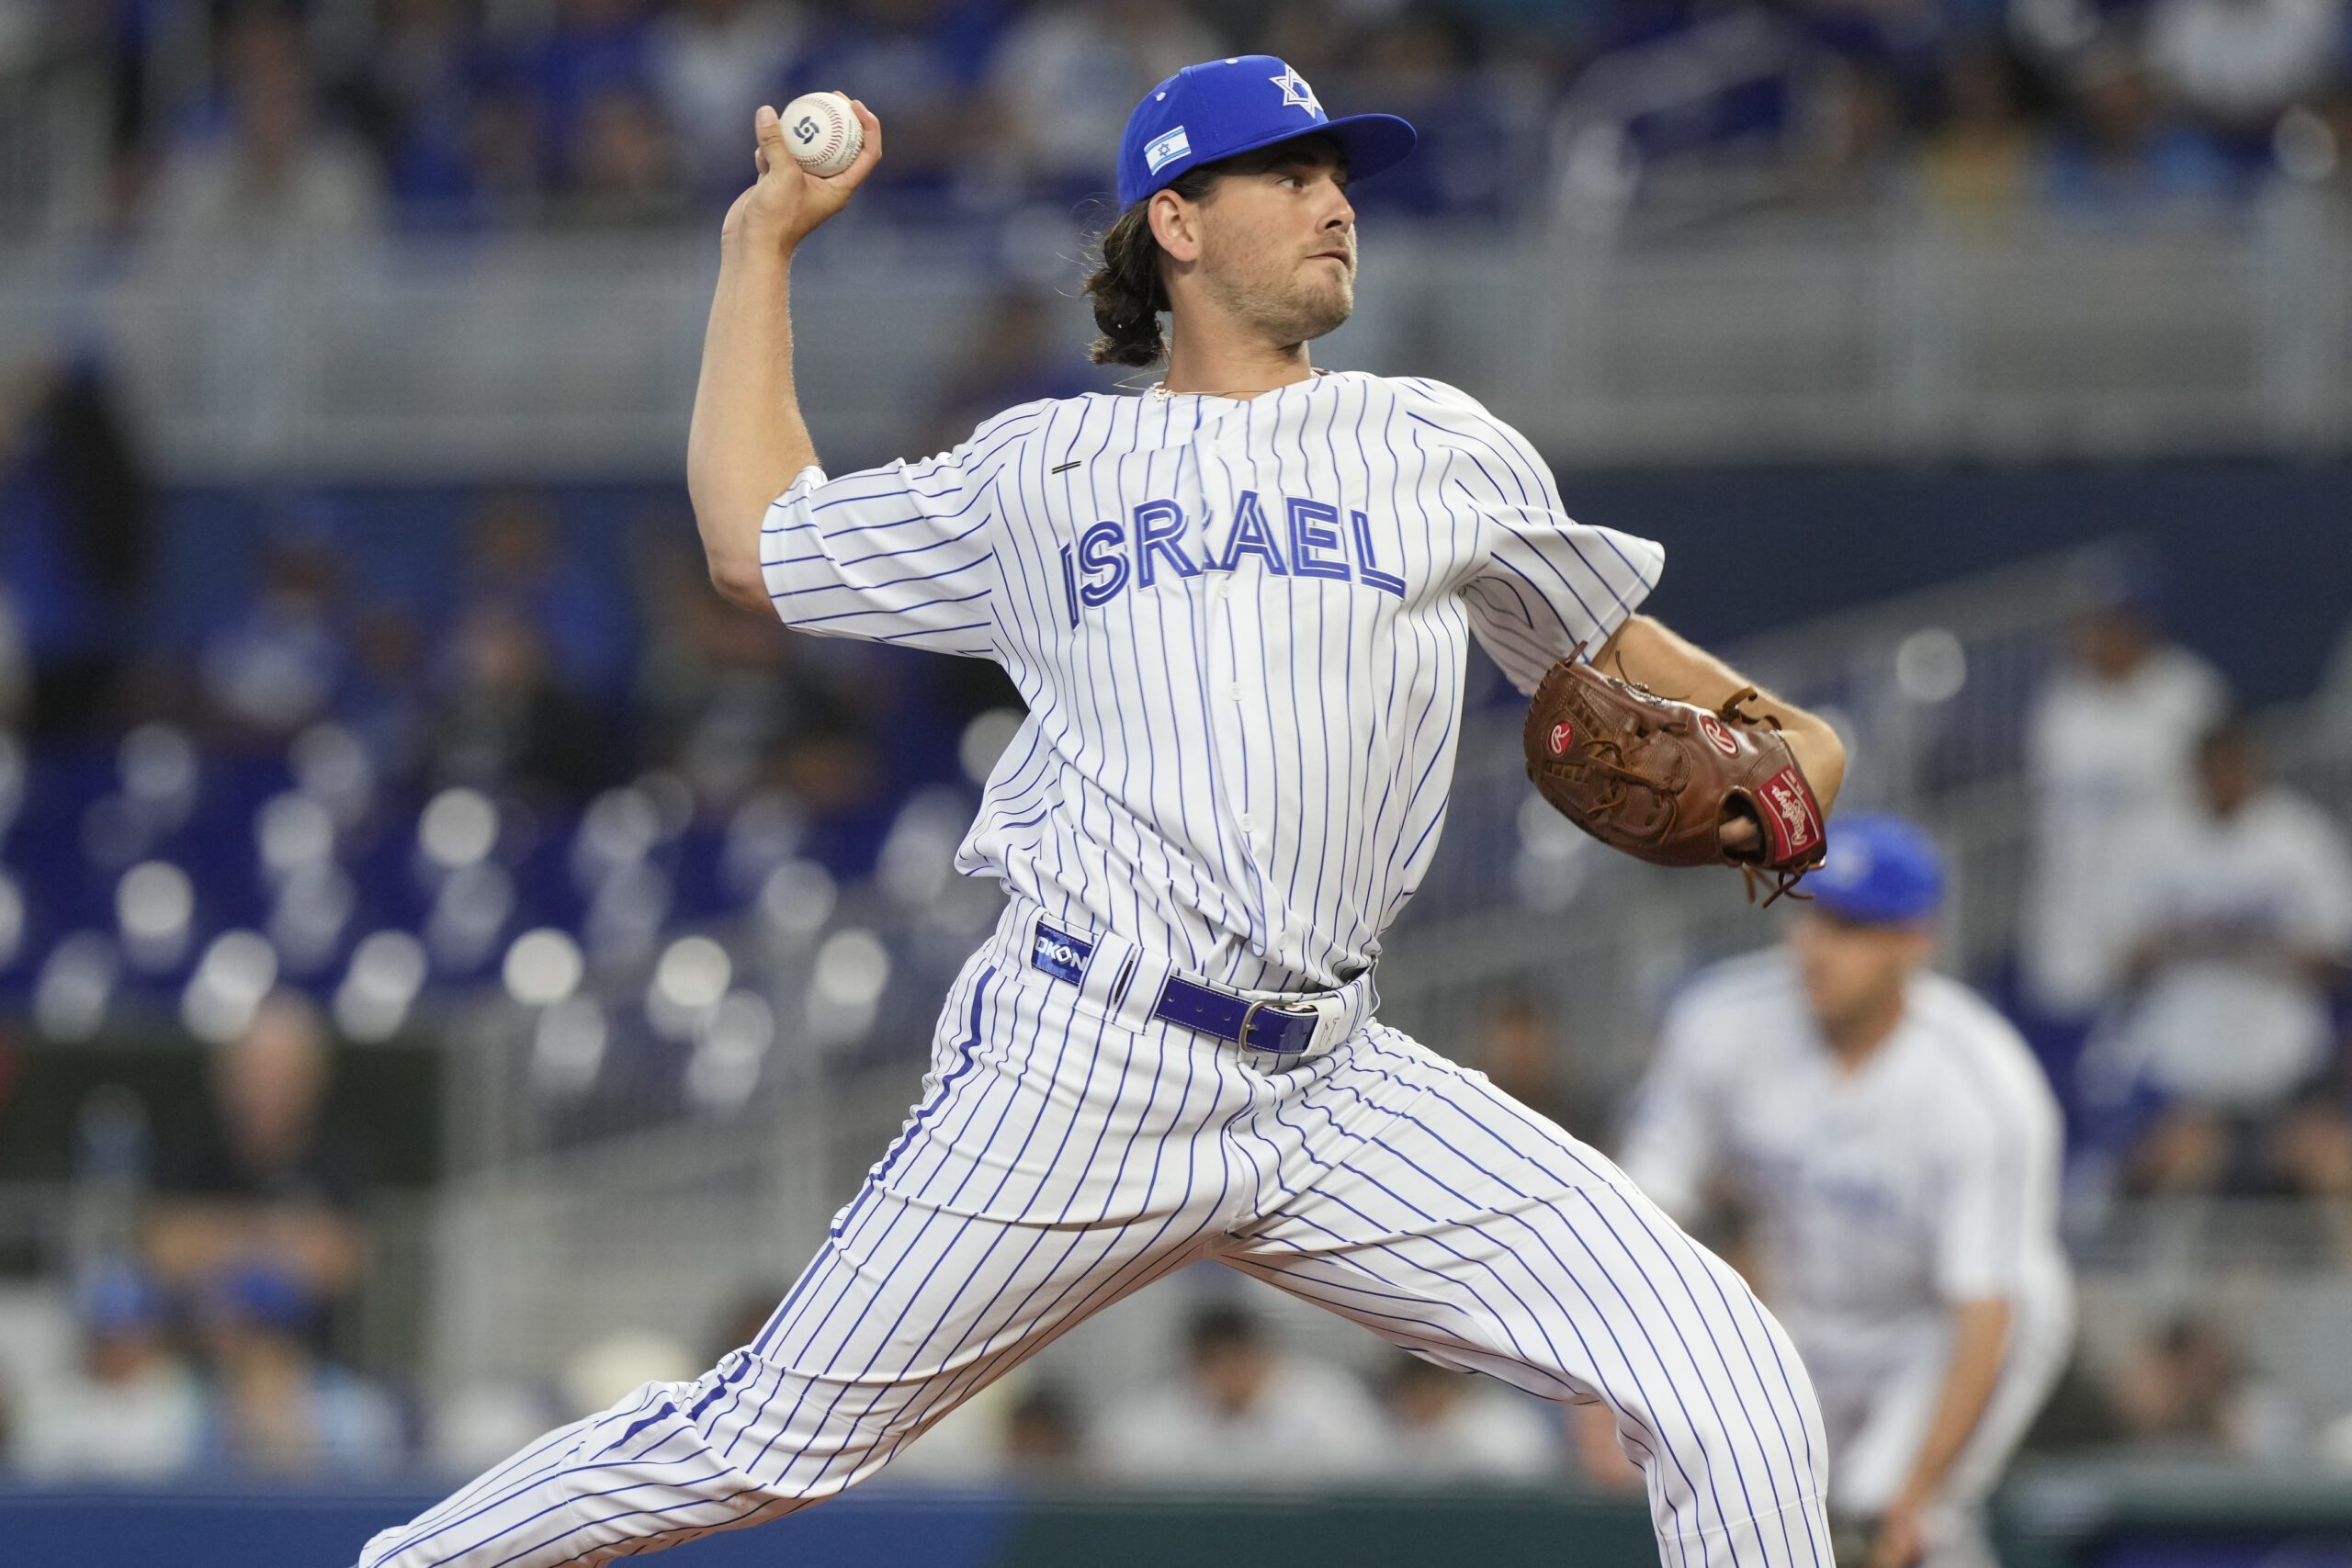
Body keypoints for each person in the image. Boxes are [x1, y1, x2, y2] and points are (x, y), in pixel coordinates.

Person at [359, 53, 1848, 1567]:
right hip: (1089, 1059)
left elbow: (1661, 693)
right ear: (1179, 222)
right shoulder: (1048, 468)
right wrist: (761, 247)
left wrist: (1797, 758)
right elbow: (760, 546)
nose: (1337, 203)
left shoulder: (1440, 446)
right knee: (761, 1440)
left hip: (1334, 1082)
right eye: (1291, 173)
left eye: (1340, 174)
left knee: (1727, 1376)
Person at [1620, 816, 2071, 1568]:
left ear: (1914, 941)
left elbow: (1984, 1310)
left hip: (1947, 1325)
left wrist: (1917, 1494)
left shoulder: (1986, 1086)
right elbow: (1644, 1206)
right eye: (1815, 913)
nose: (1820, 945)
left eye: (1854, 926)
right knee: (1760, 1506)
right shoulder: (1722, 1022)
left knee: (1880, 1522)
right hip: (1804, 1308)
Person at [2095, 717, 2352, 1197]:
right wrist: (2188, 941)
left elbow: (2333, 957)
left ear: (2256, 770)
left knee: (2332, 1164)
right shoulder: (2150, 840)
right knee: (2171, 1163)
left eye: (2235, 769)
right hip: (2182, 1062)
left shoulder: (2299, 837)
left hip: (2283, 1060)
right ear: (2194, 773)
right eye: (2213, 770)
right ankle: (2151, 1271)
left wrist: (2257, 946)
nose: (2224, 781)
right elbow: (2120, 955)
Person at [1098, 1300, 1384, 1487]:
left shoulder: (1329, 1402)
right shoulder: (1157, 1414)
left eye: (1234, 1359)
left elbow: (1372, 1484)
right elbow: (1102, 1475)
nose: (1225, 1373)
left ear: (1259, 1353)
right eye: (1211, 1361)